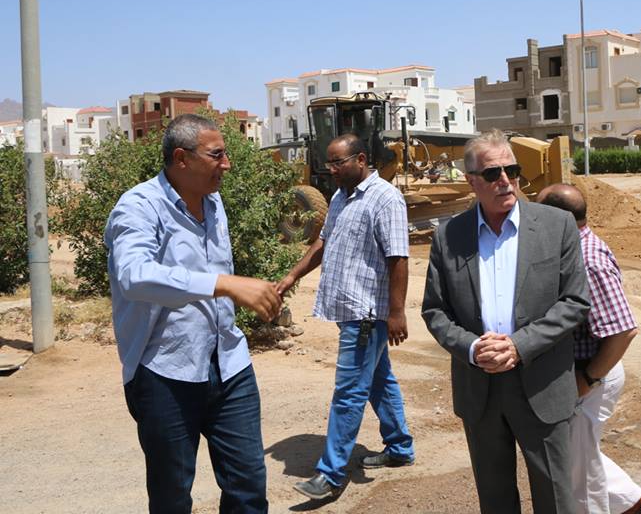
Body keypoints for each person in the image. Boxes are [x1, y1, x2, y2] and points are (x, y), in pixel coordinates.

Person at [105, 114, 282, 514]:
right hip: (165, 372)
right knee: (171, 498)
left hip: (230, 365)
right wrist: (224, 284)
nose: (227, 164)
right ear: (181, 159)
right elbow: (134, 276)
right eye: (216, 155)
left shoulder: (213, 202)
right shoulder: (138, 207)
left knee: (248, 487)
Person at [421, 129, 591, 514]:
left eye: (511, 171)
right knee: (495, 499)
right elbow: (435, 310)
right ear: (471, 181)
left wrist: (519, 345)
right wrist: (472, 348)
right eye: (492, 173)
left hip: (542, 385)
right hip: (480, 389)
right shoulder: (449, 236)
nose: (505, 181)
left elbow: (575, 301)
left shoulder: (557, 226)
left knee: (557, 500)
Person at [276, 133, 414, 501]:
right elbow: (322, 242)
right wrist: (291, 276)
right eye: (329, 164)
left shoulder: (385, 198)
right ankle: (400, 447)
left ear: (361, 159)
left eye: (338, 163)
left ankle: (331, 474)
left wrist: (397, 312)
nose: (332, 170)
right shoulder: (340, 196)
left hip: (367, 312)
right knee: (379, 380)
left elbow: (398, 257)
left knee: (349, 392)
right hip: (349, 308)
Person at [537, 184, 641, 514]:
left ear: (558, 219)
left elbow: (624, 331)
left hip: (592, 375)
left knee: (580, 478)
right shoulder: (572, 248)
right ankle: (629, 500)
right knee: (578, 457)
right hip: (583, 375)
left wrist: (587, 379)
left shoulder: (588, 261)